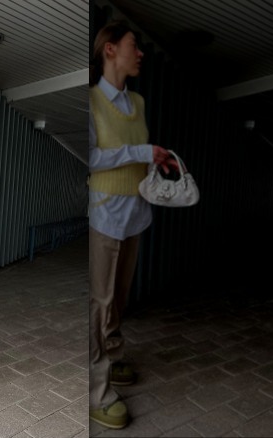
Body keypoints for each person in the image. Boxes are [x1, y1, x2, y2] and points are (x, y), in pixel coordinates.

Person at [88, 20, 177, 430]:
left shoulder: (137, 103)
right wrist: (141, 149)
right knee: (100, 301)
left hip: (135, 213)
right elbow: (93, 157)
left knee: (118, 299)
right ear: (109, 50)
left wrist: (154, 159)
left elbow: (130, 154)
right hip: (104, 214)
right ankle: (96, 390)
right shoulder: (90, 100)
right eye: (132, 45)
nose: (138, 52)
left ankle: (112, 355)